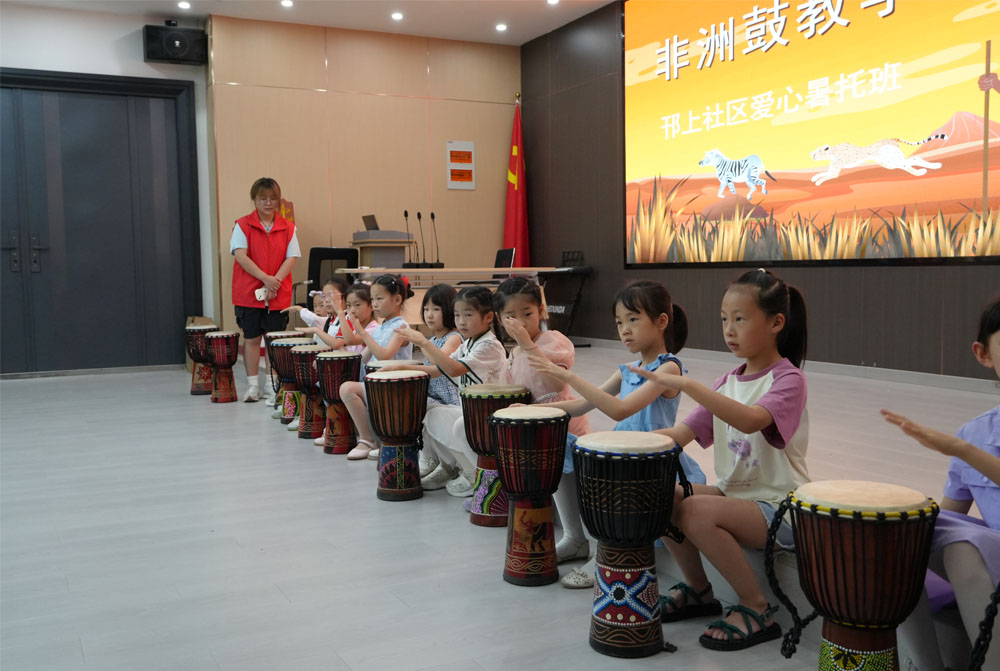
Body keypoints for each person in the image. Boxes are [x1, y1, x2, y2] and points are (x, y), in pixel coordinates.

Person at [634, 268, 809, 651]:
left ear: (776, 323)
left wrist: (688, 384)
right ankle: (699, 591)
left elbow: (751, 420)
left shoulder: (788, 380)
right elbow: (680, 435)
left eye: (740, 319)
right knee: (659, 493)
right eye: (724, 319)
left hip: (781, 507)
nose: (729, 330)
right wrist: (622, 445)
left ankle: (756, 606)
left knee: (695, 511)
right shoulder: (727, 382)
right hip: (735, 499)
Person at [525, 279, 706, 588]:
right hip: (623, 454)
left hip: (649, 461)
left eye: (633, 319)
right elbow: (581, 405)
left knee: (606, 470)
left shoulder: (669, 369)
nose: (624, 330)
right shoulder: (628, 369)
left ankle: (602, 552)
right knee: (560, 443)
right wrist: (534, 410)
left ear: (662, 321)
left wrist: (570, 377)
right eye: (620, 322)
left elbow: (620, 410)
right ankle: (575, 536)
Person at [885, 295, 1000, 671]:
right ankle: (925, 665)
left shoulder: (966, 444)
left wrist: (962, 450)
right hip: (993, 558)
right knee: (907, 529)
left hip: (986, 556)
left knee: (964, 548)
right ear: (984, 354)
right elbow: (949, 520)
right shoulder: (975, 433)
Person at [392, 286, 506, 492]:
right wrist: (399, 368)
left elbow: (453, 369)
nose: (461, 321)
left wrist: (422, 342)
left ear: (489, 317)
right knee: (430, 412)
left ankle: (473, 473)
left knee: (458, 425)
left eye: (468, 315)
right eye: (457, 315)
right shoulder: (467, 344)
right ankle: (450, 467)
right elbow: (438, 370)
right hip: (471, 412)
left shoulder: (489, 345)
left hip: (489, 418)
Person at [230, 177, 300, 402]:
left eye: (273, 198)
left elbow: (291, 257)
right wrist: (265, 279)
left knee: (273, 341)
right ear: (254, 200)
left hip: (277, 293)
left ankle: (272, 384)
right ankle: (253, 386)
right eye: (263, 199)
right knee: (251, 339)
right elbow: (241, 256)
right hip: (249, 293)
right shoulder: (242, 225)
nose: (268, 203)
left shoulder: (288, 227)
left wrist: (275, 281)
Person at [337, 274, 414, 461]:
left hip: (395, 385)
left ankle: (369, 439)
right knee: (346, 387)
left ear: (397, 300)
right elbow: (362, 359)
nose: (375, 304)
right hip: (378, 384)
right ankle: (365, 438)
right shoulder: (380, 328)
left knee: (348, 388)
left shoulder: (402, 327)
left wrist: (363, 333)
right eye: (373, 299)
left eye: (380, 298)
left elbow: (384, 356)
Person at [414, 284, 463, 478]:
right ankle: (428, 457)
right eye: (426, 309)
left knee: (422, 408)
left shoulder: (454, 337)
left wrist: (421, 342)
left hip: (450, 399)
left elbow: (438, 364)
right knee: (416, 406)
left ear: (449, 310)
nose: (429, 315)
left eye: (436, 309)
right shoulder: (432, 340)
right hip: (434, 395)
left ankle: (430, 459)